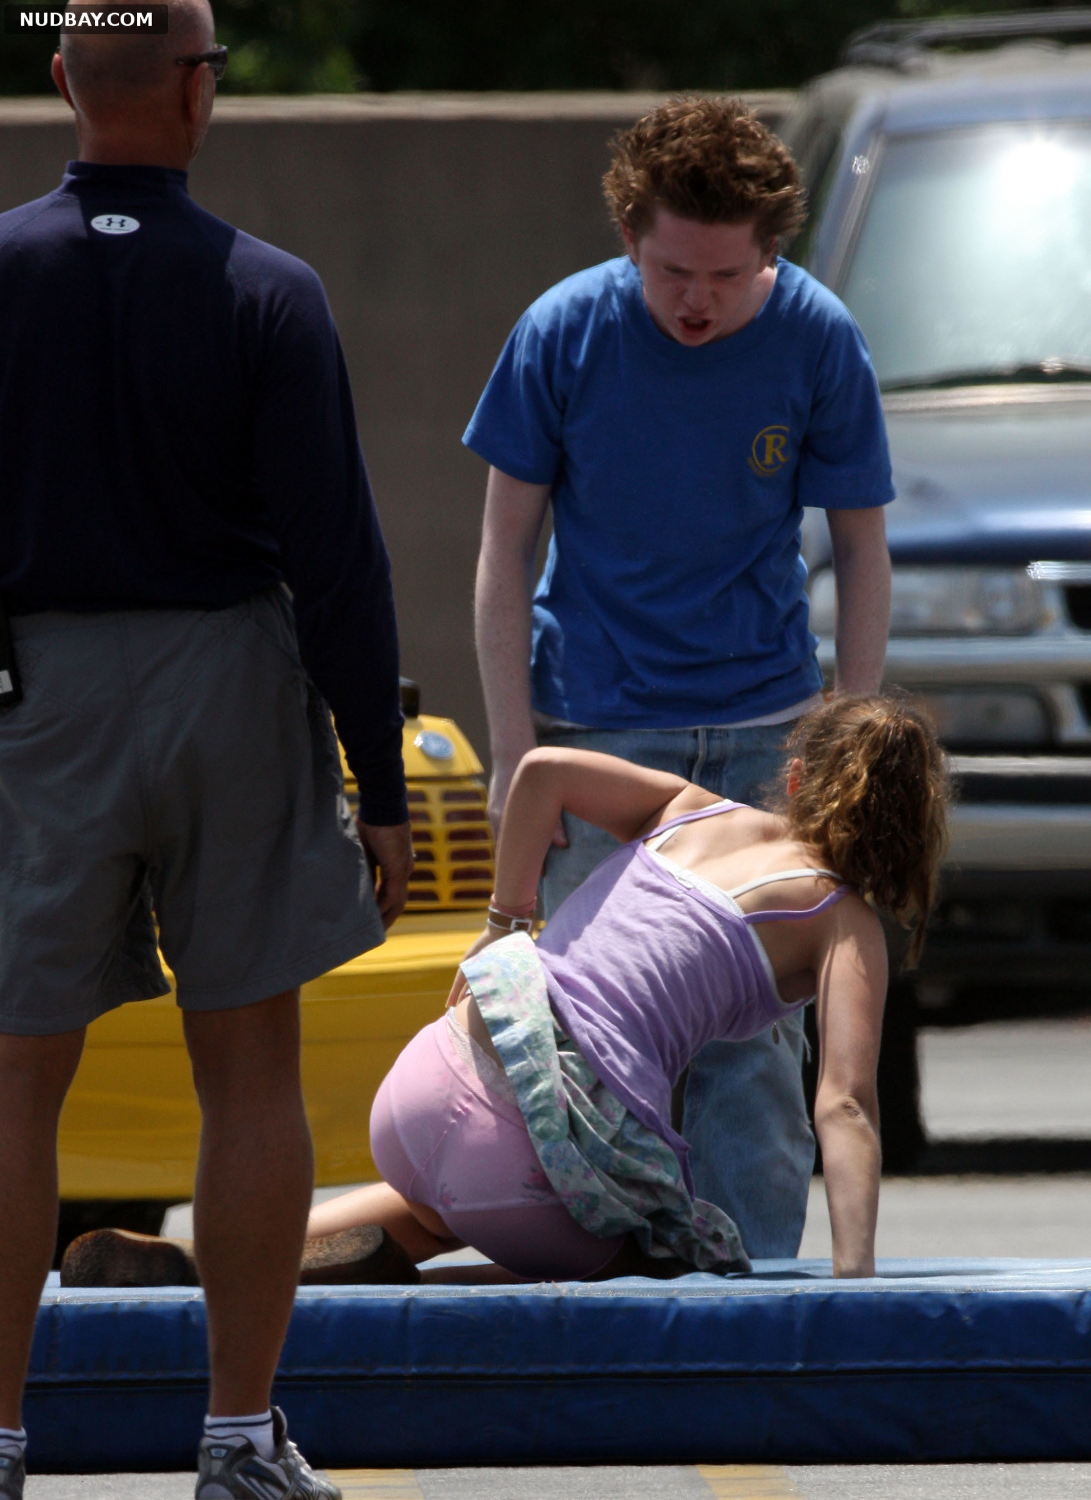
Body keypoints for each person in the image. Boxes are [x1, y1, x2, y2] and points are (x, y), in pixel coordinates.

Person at [0, 6, 412, 1499]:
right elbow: (338, 560)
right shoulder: (267, 291)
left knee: (14, 1084)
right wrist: (375, 773)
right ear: (195, 90)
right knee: (246, 1070)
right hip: (233, 681)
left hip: (36, 691)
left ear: (61, 79)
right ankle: (237, 1436)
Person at [64, 696, 949, 1290]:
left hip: (430, 1075)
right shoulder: (844, 922)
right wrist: (853, 1282)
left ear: (795, 781)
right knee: (671, 1262)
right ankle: (459, 1279)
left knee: (445, 1201)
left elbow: (540, 773)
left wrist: (503, 922)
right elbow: (845, 1106)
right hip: (524, 1162)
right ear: (911, 831)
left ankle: (228, 1261)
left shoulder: (693, 807)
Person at [465, 95, 894, 1262]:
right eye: (669, 274)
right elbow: (503, 555)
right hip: (596, 727)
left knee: (752, 1048)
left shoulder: (815, 337)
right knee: (596, 1039)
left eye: (725, 276)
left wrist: (846, 738)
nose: (695, 300)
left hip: (762, 727)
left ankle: (751, 1297)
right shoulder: (560, 333)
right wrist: (515, 753)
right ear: (626, 239)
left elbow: (858, 547)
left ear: (771, 254)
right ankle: (610, 1291)